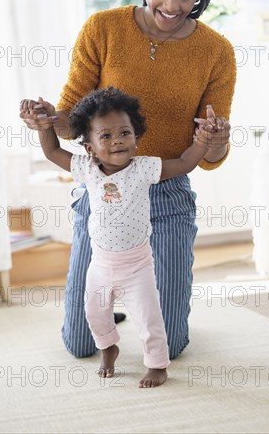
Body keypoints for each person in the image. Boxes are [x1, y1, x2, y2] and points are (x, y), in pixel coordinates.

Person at [19, 0, 237, 361]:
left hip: (166, 195)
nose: (171, 6)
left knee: (170, 347)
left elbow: (210, 157)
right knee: (80, 345)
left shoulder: (216, 51)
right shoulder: (103, 29)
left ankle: (145, 304)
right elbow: (70, 124)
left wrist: (215, 141)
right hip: (103, 192)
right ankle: (115, 305)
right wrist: (46, 118)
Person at [28, 86, 220, 387]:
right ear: (89, 147)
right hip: (100, 266)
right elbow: (52, 151)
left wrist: (203, 140)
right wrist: (43, 127)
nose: (117, 140)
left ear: (136, 136)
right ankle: (109, 348)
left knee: (150, 319)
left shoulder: (144, 168)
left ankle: (157, 365)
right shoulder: (86, 169)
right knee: (94, 314)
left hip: (137, 268)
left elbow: (184, 163)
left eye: (124, 133)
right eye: (105, 136)